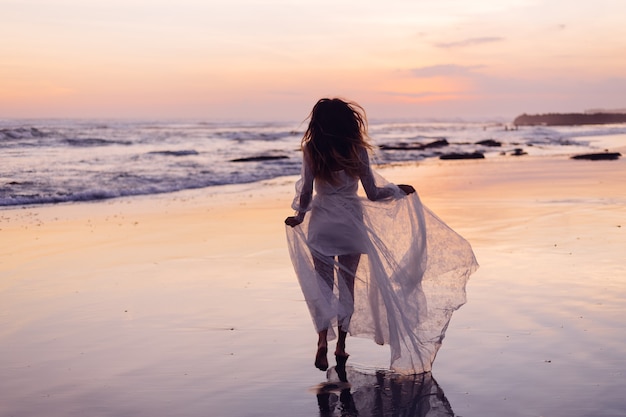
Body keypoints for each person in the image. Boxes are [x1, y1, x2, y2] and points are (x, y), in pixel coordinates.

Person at [285, 98, 478, 374]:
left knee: (324, 286)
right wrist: (397, 190)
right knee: (347, 286)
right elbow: (373, 193)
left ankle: (320, 342)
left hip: (323, 224)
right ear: (347, 122)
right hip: (351, 225)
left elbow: (305, 193)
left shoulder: (312, 150)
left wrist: (299, 217)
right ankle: (340, 345)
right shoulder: (356, 150)